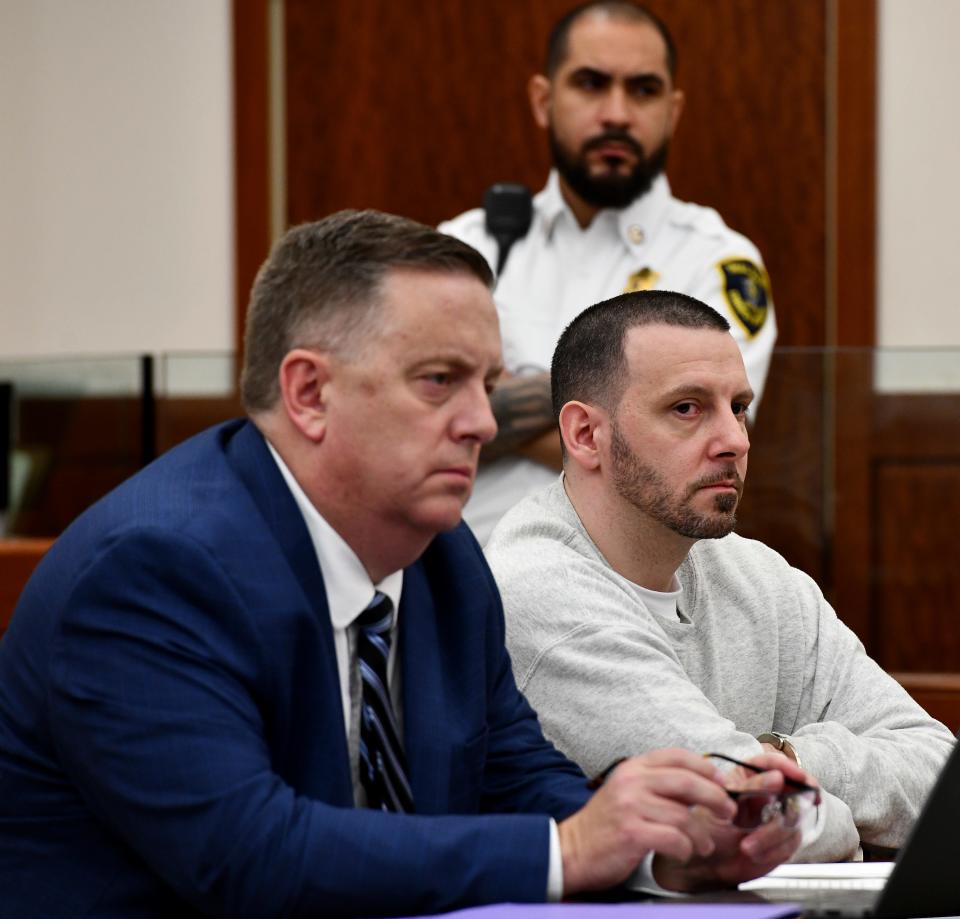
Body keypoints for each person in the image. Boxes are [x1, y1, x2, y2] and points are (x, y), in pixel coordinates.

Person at [0, 212, 808, 917]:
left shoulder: (444, 559)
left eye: (486, 383)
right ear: (309, 393)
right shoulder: (153, 570)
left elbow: (518, 780)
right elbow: (248, 855)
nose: (484, 423)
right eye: (439, 383)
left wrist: (662, 849)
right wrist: (566, 853)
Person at [485, 289, 955, 863]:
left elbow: (939, 782)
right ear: (586, 435)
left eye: (738, 407)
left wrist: (787, 758)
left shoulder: (758, 574)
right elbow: (742, 815)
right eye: (687, 408)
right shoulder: (539, 592)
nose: (735, 440)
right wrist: (812, 801)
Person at [441, 0, 777, 543]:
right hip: (462, 580)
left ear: (673, 110)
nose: (617, 112)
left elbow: (704, 455)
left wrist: (476, 399)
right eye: (591, 84)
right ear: (544, 101)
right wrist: (625, 411)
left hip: (626, 593)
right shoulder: (464, 247)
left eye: (643, 90)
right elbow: (415, 419)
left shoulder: (714, 261)